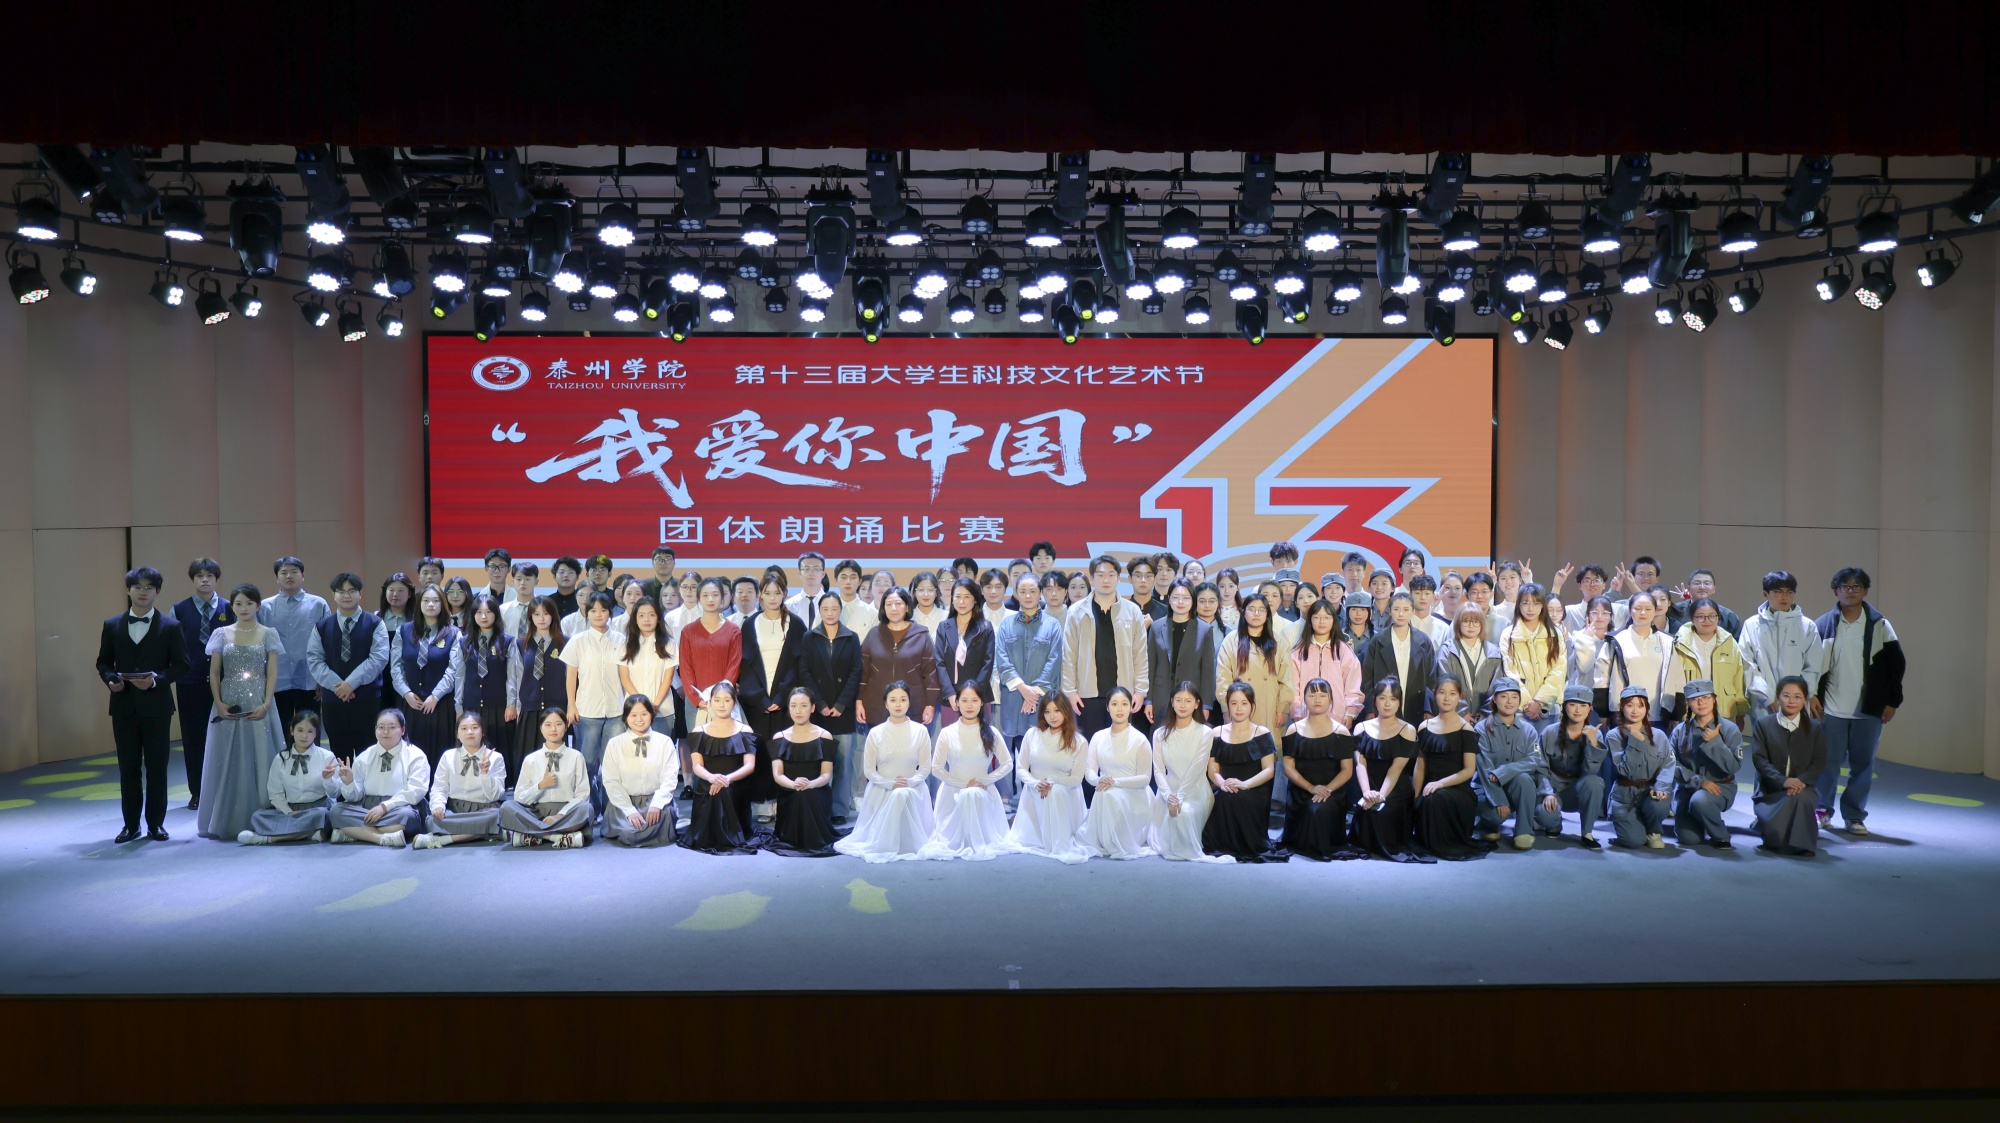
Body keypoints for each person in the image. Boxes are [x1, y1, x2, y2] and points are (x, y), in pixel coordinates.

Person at [100, 566, 191, 843]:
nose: (143, 592)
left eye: (149, 587)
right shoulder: (112, 624)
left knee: (157, 767)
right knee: (127, 768)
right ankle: (130, 825)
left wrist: (156, 680)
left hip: (157, 707)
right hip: (123, 706)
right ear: (128, 590)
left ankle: (156, 824)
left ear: (158, 591)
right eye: (137, 587)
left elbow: (182, 665)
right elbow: (103, 662)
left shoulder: (171, 626)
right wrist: (111, 679)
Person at [1813, 568, 1905, 835]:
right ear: (1836, 591)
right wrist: (1812, 695)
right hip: (1831, 709)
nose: (1850, 591)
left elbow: (1896, 665)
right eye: (1845, 586)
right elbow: (1811, 665)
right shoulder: (1823, 624)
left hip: (1868, 710)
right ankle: (1822, 810)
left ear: (1865, 591)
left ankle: (1854, 816)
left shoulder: (1880, 625)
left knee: (1863, 766)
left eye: (1856, 586)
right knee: (1827, 763)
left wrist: (1893, 702)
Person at [196, 582, 286, 841]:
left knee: (261, 754)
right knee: (226, 757)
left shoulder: (268, 633)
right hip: (228, 700)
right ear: (232, 607)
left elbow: (272, 672)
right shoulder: (221, 633)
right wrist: (219, 702)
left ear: (258, 606)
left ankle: (264, 817)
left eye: (249, 603)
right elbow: (214, 672)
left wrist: (266, 703)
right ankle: (225, 818)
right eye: (238, 603)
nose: (244, 608)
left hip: (259, 699)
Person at [835, 681, 937, 862]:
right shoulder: (875, 733)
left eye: (903, 699)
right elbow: (868, 770)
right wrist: (890, 784)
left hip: (913, 790)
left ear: (909, 702)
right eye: (893, 700)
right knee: (897, 794)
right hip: (881, 791)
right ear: (885, 703)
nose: (898, 704)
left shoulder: (920, 731)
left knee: (902, 794)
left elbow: (925, 768)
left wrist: (909, 783)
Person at [920, 682, 1015, 860]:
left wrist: (984, 781)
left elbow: (1007, 763)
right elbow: (936, 768)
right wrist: (964, 784)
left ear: (981, 702)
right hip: (953, 794)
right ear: (957, 703)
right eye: (964, 700)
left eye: (974, 700)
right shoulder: (947, 733)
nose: (969, 705)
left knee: (974, 795)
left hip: (984, 791)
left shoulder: (992, 732)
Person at [307, 572, 390, 760]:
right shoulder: (321, 626)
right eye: (341, 591)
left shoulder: (376, 623)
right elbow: (314, 660)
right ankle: (342, 781)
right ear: (333, 595)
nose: (347, 595)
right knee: (338, 753)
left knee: (368, 753)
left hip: (366, 699)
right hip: (334, 700)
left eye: (352, 591)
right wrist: (339, 686)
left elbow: (378, 658)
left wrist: (351, 683)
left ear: (360, 594)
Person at [1199, 681, 1285, 862]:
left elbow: (1269, 770)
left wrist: (1245, 784)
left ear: (1252, 706)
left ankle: (1246, 844)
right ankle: (1224, 845)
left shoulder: (1261, 732)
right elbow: (1212, 769)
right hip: (1225, 787)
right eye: (1234, 703)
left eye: (1244, 703)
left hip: (1254, 789)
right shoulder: (1216, 733)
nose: (1239, 708)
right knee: (1225, 797)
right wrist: (1222, 783)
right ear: (1228, 705)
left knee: (1237, 798)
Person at [171, 559, 232, 812]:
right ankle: (197, 792)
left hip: (226, 683)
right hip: (190, 683)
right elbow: (173, 646)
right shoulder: (178, 610)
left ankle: (225, 790)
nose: (204, 580)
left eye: (209, 575)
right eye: (199, 576)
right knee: (193, 739)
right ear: (193, 580)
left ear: (217, 579)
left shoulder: (230, 607)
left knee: (226, 739)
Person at [1006, 691, 1092, 863]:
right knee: (1049, 792)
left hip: (1065, 793)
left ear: (1066, 711)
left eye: (1057, 711)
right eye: (1047, 711)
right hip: (1035, 792)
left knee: (1056, 791)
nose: (1052, 716)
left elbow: (1076, 778)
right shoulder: (1032, 735)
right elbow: (1021, 768)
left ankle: (1060, 840)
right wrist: (1036, 783)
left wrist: (1053, 781)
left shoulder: (1079, 742)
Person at [680, 681, 765, 853]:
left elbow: (749, 766)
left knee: (725, 790)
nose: (721, 705)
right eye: (717, 700)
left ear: (734, 702)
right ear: (710, 702)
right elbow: (697, 766)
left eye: (727, 700)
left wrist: (726, 779)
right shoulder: (699, 731)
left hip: (735, 785)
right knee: (715, 791)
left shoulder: (745, 730)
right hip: (708, 784)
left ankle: (729, 834)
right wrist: (712, 777)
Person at [1473, 677, 1557, 850]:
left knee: (1524, 779)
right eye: (1504, 696)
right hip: (1488, 788)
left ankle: (1524, 831)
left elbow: (1534, 759)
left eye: (1514, 696)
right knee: (1495, 816)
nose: (1509, 701)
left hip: (1517, 788)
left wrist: (1506, 770)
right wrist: (1498, 800)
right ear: (1494, 699)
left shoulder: (1529, 730)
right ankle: (1487, 825)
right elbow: (1485, 769)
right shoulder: (1481, 729)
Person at [1281, 678, 1361, 861]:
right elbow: (1288, 767)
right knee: (1308, 806)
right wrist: (1310, 788)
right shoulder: (1293, 729)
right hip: (1301, 790)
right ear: (1304, 699)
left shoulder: (1341, 731)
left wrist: (1326, 790)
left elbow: (1347, 771)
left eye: (1323, 695)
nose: (1317, 699)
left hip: (1331, 791)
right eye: (1312, 695)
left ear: (1331, 699)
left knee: (1317, 809)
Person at [328, 709, 431, 847]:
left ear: (403, 730)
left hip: (399, 807)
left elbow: (415, 792)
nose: (385, 731)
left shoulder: (416, 755)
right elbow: (355, 797)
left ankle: (353, 832)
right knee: (336, 811)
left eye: (392, 727)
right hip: (367, 808)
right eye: (381, 727)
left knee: (408, 816)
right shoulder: (365, 757)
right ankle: (381, 838)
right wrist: (348, 783)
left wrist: (384, 807)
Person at [803, 591, 864, 825]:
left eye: (834, 609)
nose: (830, 613)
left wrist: (840, 704)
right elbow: (805, 672)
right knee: (819, 762)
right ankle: (819, 806)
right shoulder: (809, 637)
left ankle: (839, 810)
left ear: (840, 610)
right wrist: (819, 703)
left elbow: (855, 672)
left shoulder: (851, 637)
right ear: (819, 611)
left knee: (844, 763)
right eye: (825, 609)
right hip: (818, 711)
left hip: (842, 711)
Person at [562, 591, 624, 818]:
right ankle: (591, 808)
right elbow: (571, 676)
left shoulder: (620, 639)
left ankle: (610, 810)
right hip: (587, 710)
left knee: (611, 765)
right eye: (593, 610)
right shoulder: (577, 640)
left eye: (603, 610)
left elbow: (625, 674)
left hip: (616, 710)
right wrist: (571, 705)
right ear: (587, 613)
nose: (598, 614)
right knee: (587, 763)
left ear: (610, 613)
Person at [1748, 676, 1826, 856]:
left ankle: (1799, 845)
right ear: (1778, 697)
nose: (1791, 701)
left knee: (1801, 797)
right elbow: (1760, 760)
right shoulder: (1763, 724)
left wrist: (1801, 781)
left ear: (1805, 700)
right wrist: (1783, 781)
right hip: (1771, 789)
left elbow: (1819, 760)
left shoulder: (1814, 728)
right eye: (1786, 696)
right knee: (1791, 802)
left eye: (1798, 697)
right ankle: (1775, 834)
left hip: (1803, 788)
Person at [250, 557, 328, 732]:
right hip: (276, 680)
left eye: (294, 572)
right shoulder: (264, 607)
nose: (289, 576)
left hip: (310, 679)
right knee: (279, 732)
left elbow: (326, 643)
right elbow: (258, 645)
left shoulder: (318, 604)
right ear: (277, 578)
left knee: (310, 730)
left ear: (303, 575)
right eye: (283, 573)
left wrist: (323, 679)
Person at [1410, 678, 1485, 859]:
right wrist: (1414, 796)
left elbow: (1469, 770)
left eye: (1452, 694)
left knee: (1435, 798)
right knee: (1420, 800)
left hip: (1457, 789)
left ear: (1460, 697)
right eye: (1442, 692)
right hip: (1430, 787)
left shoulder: (1466, 729)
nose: (1446, 698)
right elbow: (1420, 765)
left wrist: (1440, 783)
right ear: (1435, 694)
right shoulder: (1424, 726)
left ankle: (1441, 844)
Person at [240, 711, 339, 845]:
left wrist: (328, 779)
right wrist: (288, 812)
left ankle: (268, 839)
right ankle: (313, 833)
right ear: (292, 731)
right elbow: (275, 793)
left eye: (310, 731)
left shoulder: (327, 756)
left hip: (318, 808)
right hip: (291, 809)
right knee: (258, 816)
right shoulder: (281, 758)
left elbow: (334, 794)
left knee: (327, 815)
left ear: (316, 734)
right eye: (300, 730)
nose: (304, 736)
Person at [1350, 678, 1423, 861]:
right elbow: (1360, 764)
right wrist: (1367, 792)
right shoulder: (1361, 727)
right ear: (1375, 700)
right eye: (1382, 698)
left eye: (1393, 699)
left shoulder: (1407, 729)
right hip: (1368, 784)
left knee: (1381, 813)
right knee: (1366, 811)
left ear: (1399, 702)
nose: (1387, 703)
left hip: (1395, 788)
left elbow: (1396, 768)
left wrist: (1380, 796)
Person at [1079, 688, 1155, 860]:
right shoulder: (1098, 737)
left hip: (1135, 795)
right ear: (1107, 707)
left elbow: (1145, 778)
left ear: (1131, 707)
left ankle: (1117, 840)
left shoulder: (1140, 739)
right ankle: (1107, 840)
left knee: (1107, 794)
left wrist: (1114, 782)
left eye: (1124, 704)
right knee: (1105, 793)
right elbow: (1089, 771)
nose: (1119, 709)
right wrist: (1099, 780)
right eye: (1114, 704)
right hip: (1106, 790)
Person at [390, 585, 461, 768]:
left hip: (441, 703)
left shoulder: (454, 633)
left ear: (443, 604)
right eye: (426, 600)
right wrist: (405, 692)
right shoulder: (403, 631)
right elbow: (396, 667)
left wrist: (436, 695)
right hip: (410, 703)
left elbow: (454, 670)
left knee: (440, 754)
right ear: (419, 603)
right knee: (410, 755)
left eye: (436, 601)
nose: (431, 604)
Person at [499, 709, 592, 847]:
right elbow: (519, 796)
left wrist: (560, 815)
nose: (553, 729)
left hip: (566, 812)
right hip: (536, 812)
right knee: (507, 807)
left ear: (566, 726)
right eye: (548, 725)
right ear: (541, 729)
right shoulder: (531, 759)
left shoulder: (576, 756)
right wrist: (540, 786)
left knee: (586, 808)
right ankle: (556, 837)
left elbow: (583, 794)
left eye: (558, 724)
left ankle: (533, 834)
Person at [996, 571, 1064, 759]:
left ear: (1040, 593)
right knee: (1008, 757)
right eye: (1023, 591)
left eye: (1032, 591)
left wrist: (1032, 694)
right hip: (1012, 698)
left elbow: (1054, 661)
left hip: (1041, 701)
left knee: (1039, 756)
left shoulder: (1052, 625)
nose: (1027, 596)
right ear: (1016, 593)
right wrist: (1022, 688)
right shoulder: (1006, 625)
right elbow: (1002, 660)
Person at [414, 711, 508, 848]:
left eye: (475, 727)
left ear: (483, 732)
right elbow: (439, 787)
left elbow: (495, 795)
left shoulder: (496, 757)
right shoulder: (448, 756)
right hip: (455, 809)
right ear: (457, 734)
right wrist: (438, 806)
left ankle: (443, 840)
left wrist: (485, 772)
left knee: (497, 816)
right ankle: (488, 833)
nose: (469, 732)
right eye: (464, 728)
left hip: (485, 810)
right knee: (432, 819)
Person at [1592, 590, 1685, 725]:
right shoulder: (1616, 640)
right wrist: (1603, 712)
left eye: (1648, 609)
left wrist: (1676, 714)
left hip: (1659, 714)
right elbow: (1601, 678)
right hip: (1623, 714)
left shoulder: (1667, 641)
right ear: (1630, 611)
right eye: (1638, 608)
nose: (1643, 613)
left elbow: (1677, 679)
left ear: (1655, 611)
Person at [1737, 571, 1824, 715]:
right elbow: (1747, 664)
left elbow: (1812, 667)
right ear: (1765, 594)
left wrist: (1797, 695)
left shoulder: (1807, 626)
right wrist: (1767, 695)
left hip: (1796, 703)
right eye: (1778, 592)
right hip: (1763, 703)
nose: (1784, 596)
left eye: (1789, 592)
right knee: (1764, 730)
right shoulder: (1751, 625)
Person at [1670, 680, 1743, 849]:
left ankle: (1721, 836)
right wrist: (1699, 781)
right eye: (1694, 699)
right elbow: (1672, 763)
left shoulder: (1730, 729)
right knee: (1688, 839)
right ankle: (1702, 817)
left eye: (1705, 697)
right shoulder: (1680, 731)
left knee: (1700, 801)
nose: (1701, 702)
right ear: (1688, 703)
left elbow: (1733, 767)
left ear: (1714, 699)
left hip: (1720, 787)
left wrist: (1715, 742)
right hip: (1688, 788)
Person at [767, 687, 838, 857]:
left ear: (813, 708)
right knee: (800, 794)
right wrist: (794, 784)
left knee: (806, 794)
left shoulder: (824, 736)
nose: (798, 711)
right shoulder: (779, 737)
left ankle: (812, 838)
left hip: (817, 790)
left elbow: (827, 775)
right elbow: (778, 775)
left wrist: (810, 784)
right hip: (789, 791)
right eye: (793, 706)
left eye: (804, 705)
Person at [601, 694, 679, 848]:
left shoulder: (664, 742)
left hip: (656, 801)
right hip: (625, 801)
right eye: (633, 715)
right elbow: (611, 781)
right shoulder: (614, 744)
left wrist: (657, 804)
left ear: (651, 715)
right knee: (629, 833)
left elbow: (670, 777)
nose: (639, 719)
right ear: (625, 717)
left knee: (663, 823)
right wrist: (629, 810)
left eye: (644, 714)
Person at [1606, 685, 1676, 850]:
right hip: (1624, 796)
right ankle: (1632, 827)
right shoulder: (1613, 736)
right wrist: (1635, 741)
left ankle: (1653, 831)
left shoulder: (1659, 735)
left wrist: (1661, 787)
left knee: (1659, 803)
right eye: (1630, 705)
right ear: (1621, 708)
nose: (1635, 711)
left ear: (1647, 709)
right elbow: (1625, 770)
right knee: (1633, 841)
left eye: (1640, 705)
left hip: (1650, 791)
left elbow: (1668, 764)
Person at [1540, 686, 1609, 850]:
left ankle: (1587, 833)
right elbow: (1540, 767)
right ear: (1564, 706)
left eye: (1583, 705)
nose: (1578, 710)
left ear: (1589, 708)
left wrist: (1592, 742)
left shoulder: (1595, 734)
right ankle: (1554, 824)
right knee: (1545, 817)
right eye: (1572, 704)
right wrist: (1548, 792)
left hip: (1577, 790)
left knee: (1594, 782)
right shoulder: (1549, 732)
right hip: (1554, 788)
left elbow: (1590, 772)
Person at [508, 597, 568, 776]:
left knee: (558, 762)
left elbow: (571, 677)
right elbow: (515, 677)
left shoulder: (565, 643)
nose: (541, 618)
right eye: (536, 614)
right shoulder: (521, 645)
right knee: (528, 759)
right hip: (530, 710)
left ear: (553, 616)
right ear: (530, 617)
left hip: (558, 711)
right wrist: (514, 705)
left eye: (546, 614)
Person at [1146, 580, 1219, 727]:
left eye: (1186, 598)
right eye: (1175, 597)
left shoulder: (1205, 630)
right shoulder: (1156, 627)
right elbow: (1150, 666)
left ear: (1193, 600)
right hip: (1161, 698)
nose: (1180, 602)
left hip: (1191, 700)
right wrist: (1149, 700)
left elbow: (1208, 671)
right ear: (1169, 599)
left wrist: (1206, 705)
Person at [1670, 597, 1749, 729]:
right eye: (1700, 616)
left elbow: (1738, 680)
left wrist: (1740, 711)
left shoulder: (1729, 643)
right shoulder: (1679, 643)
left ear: (1718, 618)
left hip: (1724, 711)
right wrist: (1675, 714)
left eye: (1712, 616)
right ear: (1692, 618)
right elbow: (1673, 682)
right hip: (1690, 712)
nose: (1707, 620)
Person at [1359, 592, 1437, 724]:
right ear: (1390, 611)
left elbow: (1431, 678)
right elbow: (1367, 678)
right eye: (1396, 609)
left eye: (1406, 610)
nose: (1401, 614)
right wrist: (1370, 709)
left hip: (1417, 707)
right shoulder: (1378, 640)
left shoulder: (1423, 641)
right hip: (1383, 708)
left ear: (1413, 612)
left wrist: (1428, 708)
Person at [1499, 583, 1566, 730]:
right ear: (1519, 605)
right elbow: (1510, 672)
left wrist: (1540, 701)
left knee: (1548, 743)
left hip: (1549, 706)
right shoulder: (1508, 634)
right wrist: (1527, 703)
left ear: (1543, 605)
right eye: (1525, 603)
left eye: (1536, 603)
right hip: (1520, 707)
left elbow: (1558, 671)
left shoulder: (1555, 634)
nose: (1530, 608)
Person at [934, 578, 996, 718]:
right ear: (952, 599)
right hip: (951, 698)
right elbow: (939, 663)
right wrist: (949, 693)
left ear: (975, 600)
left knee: (980, 732)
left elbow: (988, 664)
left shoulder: (985, 627)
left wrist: (974, 695)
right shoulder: (944, 627)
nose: (961, 601)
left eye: (967, 597)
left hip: (978, 697)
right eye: (958, 596)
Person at [1437, 605, 1504, 717]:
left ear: (1482, 624)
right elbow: (1444, 683)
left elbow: (1497, 687)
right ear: (1458, 623)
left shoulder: (1493, 652)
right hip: (1454, 715)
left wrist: (1485, 713)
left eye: (1476, 622)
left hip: (1486, 718)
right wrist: (1461, 712)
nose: (1471, 626)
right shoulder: (1447, 650)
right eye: (1466, 621)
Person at [1665, 569, 1743, 637]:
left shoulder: (1728, 616)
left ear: (1714, 589)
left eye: (1707, 583)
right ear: (1689, 588)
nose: (1702, 587)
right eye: (1697, 583)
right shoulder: (1674, 611)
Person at [784, 552, 829, 625]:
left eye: (816, 569)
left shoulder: (833, 604)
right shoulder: (789, 606)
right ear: (799, 574)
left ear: (823, 574)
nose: (811, 573)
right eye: (806, 569)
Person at [1338, 591, 1375, 662]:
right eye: (1354, 609)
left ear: (1369, 612)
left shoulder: (1377, 637)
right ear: (1347, 611)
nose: (1358, 614)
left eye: (1363, 609)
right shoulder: (1339, 635)